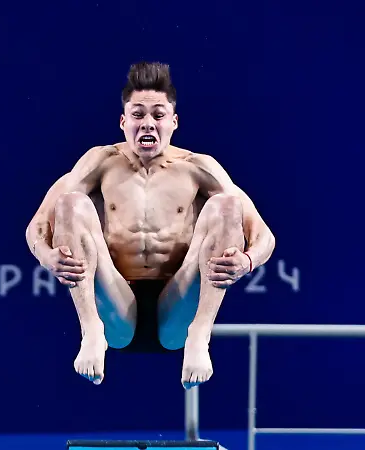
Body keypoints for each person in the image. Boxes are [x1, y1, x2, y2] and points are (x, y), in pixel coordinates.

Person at [25, 62, 275, 389]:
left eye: (158, 115)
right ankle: (90, 331)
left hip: (178, 307)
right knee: (70, 202)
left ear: (173, 122)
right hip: (113, 304)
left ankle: (200, 336)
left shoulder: (198, 167)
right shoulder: (99, 162)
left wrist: (247, 261)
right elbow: (38, 227)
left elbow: (264, 236)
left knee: (227, 205)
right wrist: (47, 257)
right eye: (138, 114)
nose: (148, 124)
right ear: (123, 121)